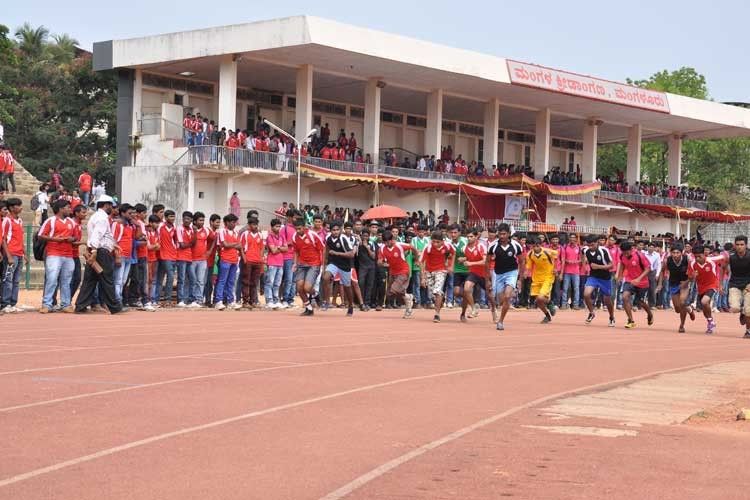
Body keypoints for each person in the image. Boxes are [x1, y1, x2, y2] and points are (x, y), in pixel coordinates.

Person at [74, 195, 123, 314]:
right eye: (111, 205)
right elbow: (97, 235)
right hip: (100, 252)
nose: (112, 208)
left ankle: (80, 305)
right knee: (107, 279)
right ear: (106, 205)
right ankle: (114, 306)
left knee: (90, 280)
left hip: (96, 250)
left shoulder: (96, 216)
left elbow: (99, 236)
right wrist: (95, 251)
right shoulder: (102, 218)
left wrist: (110, 245)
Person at [38, 200, 75, 313]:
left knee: (66, 280)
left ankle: (65, 304)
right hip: (54, 253)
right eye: (68, 207)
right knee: (52, 279)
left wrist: (71, 239)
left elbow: (75, 237)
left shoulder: (71, 222)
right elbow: (40, 236)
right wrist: (55, 239)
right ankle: (47, 304)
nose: (70, 210)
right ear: (60, 209)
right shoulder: (51, 221)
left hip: (68, 254)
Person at [487, 223, 525, 331]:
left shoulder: (516, 245)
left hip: (512, 273)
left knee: (507, 296)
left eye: (504, 234)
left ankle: (500, 322)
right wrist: (488, 280)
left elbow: (522, 262)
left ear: (509, 234)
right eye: (500, 234)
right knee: (501, 301)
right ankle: (511, 294)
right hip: (498, 274)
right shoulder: (493, 245)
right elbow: (487, 262)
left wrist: (520, 280)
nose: (502, 236)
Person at [656, 244, 695, 333]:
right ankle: (689, 309)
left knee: (682, 303)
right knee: (677, 309)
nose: (675, 254)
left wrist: (687, 282)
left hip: (684, 283)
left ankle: (682, 325)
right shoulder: (667, 261)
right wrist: (660, 284)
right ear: (670, 253)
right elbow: (662, 271)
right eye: (673, 253)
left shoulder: (687, 259)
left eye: (677, 253)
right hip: (673, 284)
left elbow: (693, 273)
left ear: (682, 253)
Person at [321, 221, 357, 316]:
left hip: (344, 265)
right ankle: (327, 301)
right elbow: (326, 249)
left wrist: (337, 253)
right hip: (333, 263)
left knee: (347, 287)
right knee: (325, 278)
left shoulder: (343, 239)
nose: (336, 232)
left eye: (337, 230)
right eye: (333, 230)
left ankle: (350, 305)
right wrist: (324, 266)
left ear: (340, 230)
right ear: (330, 230)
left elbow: (351, 254)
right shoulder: (328, 237)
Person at [420, 231, 455, 323]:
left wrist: (451, 266)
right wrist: (423, 277)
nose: (435, 244)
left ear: (442, 241)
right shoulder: (428, 247)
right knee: (432, 294)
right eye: (434, 241)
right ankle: (441, 298)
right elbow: (421, 262)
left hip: (441, 270)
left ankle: (437, 314)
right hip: (429, 271)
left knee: (437, 290)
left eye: (437, 242)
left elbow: (453, 252)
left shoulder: (447, 245)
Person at [292, 218, 325, 316]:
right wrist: (295, 263)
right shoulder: (295, 237)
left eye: (299, 229)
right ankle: (309, 308)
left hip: (314, 264)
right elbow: (296, 251)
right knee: (299, 287)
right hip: (301, 264)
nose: (298, 231)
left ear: (304, 227)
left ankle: (316, 294)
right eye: (296, 229)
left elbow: (323, 249)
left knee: (307, 288)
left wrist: (322, 265)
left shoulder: (312, 235)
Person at [617, 241, 653, 329]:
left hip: (642, 282)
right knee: (625, 297)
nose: (625, 254)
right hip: (629, 280)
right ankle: (630, 320)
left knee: (640, 302)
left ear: (631, 249)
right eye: (624, 253)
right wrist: (620, 276)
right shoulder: (622, 256)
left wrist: (638, 279)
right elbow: (622, 263)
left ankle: (650, 313)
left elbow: (648, 269)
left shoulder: (639, 256)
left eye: (627, 252)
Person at [689, 245, 724, 334]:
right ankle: (710, 321)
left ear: (704, 254)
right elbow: (690, 278)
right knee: (704, 308)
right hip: (700, 287)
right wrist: (693, 276)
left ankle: (710, 321)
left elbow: (725, 256)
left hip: (712, 284)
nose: (697, 258)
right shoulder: (692, 263)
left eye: (699, 256)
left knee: (704, 301)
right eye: (695, 256)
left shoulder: (712, 260)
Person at [378, 232, 414, 319]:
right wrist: (383, 264)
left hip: (403, 271)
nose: (386, 244)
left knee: (394, 290)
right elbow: (379, 261)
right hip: (392, 272)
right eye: (384, 242)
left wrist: (416, 259)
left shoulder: (399, 245)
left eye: (387, 242)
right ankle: (408, 303)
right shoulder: (382, 248)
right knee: (392, 293)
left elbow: (413, 248)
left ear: (392, 240)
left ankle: (407, 298)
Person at [460, 228, 493, 323]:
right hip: (473, 273)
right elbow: (470, 256)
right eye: (468, 237)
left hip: (484, 274)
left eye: (471, 236)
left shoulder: (481, 246)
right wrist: (464, 258)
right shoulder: (464, 248)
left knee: (490, 295)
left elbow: (485, 261)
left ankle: (494, 310)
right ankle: (474, 308)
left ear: (476, 237)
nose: (469, 238)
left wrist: (470, 263)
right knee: (466, 289)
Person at [582, 235, 615, 327]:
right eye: (589, 245)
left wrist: (598, 266)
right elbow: (582, 254)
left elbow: (611, 265)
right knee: (586, 294)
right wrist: (584, 267)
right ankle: (592, 312)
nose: (590, 247)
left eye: (592, 245)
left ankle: (612, 317)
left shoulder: (603, 251)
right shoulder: (585, 249)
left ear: (597, 243)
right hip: (593, 276)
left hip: (605, 278)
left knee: (607, 300)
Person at [0, 198, 27, 313]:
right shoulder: (7, 220)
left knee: (16, 280)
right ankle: (5, 303)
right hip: (11, 253)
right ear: (12, 208)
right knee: (8, 279)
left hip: (19, 254)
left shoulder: (20, 221)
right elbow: (4, 239)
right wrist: (9, 255)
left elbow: (20, 238)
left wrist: (24, 253)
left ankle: (12, 303)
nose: (21, 208)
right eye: (18, 206)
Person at [526, 237, 559, 324]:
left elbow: (556, 256)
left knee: (541, 297)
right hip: (536, 278)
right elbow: (528, 266)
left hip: (548, 277)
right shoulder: (530, 254)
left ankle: (550, 303)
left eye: (537, 246)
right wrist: (526, 273)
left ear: (540, 245)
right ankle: (547, 316)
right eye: (534, 246)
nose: (536, 248)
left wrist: (555, 268)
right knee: (538, 301)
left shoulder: (547, 252)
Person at [214, 214, 242, 310]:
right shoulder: (222, 231)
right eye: (232, 222)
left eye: (235, 222)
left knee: (231, 282)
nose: (234, 224)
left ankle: (230, 301)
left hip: (234, 260)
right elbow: (225, 244)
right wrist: (234, 244)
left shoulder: (236, 232)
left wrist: (232, 245)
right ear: (226, 222)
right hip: (225, 259)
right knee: (222, 281)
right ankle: (218, 301)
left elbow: (239, 246)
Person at [725, 235, 750, 338]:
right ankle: (741, 312)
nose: (740, 246)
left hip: (748, 284)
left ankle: (748, 331)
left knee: (749, 310)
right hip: (734, 284)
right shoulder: (730, 256)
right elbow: (722, 268)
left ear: (746, 245)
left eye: (742, 244)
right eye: (738, 244)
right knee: (734, 308)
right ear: (735, 245)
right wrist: (720, 285)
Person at [152, 210, 177, 307]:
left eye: (174, 217)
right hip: (163, 255)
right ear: (166, 218)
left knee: (161, 278)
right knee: (169, 276)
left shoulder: (173, 228)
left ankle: (157, 299)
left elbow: (174, 241)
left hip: (172, 255)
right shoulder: (160, 227)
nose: (173, 219)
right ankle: (166, 299)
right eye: (170, 216)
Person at [111, 203, 135, 307]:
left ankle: (118, 300)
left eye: (133, 213)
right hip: (120, 255)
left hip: (128, 256)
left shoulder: (129, 225)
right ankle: (117, 301)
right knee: (118, 280)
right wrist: (117, 257)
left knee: (123, 280)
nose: (132, 215)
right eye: (130, 213)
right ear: (122, 213)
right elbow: (113, 241)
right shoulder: (117, 224)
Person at [240, 217, 264, 309]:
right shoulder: (245, 234)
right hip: (248, 260)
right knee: (246, 281)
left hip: (257, 261)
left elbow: (262, 247)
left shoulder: (260, 235)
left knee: (254, 282)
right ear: (249, 225)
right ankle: (245, 301)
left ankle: (252, 301)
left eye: (256, 224)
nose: (255, 226)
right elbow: (241, 247)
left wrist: (260, 258)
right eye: (253, 225)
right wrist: (244, 258)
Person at [264, 218, 288, 309]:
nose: (278, 228)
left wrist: (278, 247)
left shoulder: (282, 237)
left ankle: (276, 300)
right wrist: (281, 248)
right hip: (272, 262)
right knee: (270, 282)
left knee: (277, 283)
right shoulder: (270, 237)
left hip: (280, 263)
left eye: (279, 226)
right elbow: (273, 251)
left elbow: (286, 249)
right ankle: (269, 300)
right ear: (272, 227)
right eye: (276, 226)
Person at [174, 211, 195, 307]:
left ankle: (191, 300)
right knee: (181, 279)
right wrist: (189, 244)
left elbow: (194, 243)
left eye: (188, 219)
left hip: (189, 257)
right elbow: (182, 245)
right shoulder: (179, 229)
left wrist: (195, 232)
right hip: (181, 257)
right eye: (184, 218)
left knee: (193, 279)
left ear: (191, 220)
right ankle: (180, 300)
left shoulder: (191, 229)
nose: (186, 221)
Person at [560, 233, 582, 309]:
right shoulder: (565, 247)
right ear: (569, 238)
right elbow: (562, 258)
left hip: (576, 271)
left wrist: (576, 262)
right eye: (571, 237)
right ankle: (564, 304)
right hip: (567, 271)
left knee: (576, 288)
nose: (572, 239)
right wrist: (567, 261)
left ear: (576, 239)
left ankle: (576, 304)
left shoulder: (579, 248)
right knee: (565, 288)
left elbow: (582, 259)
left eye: (574, 238)